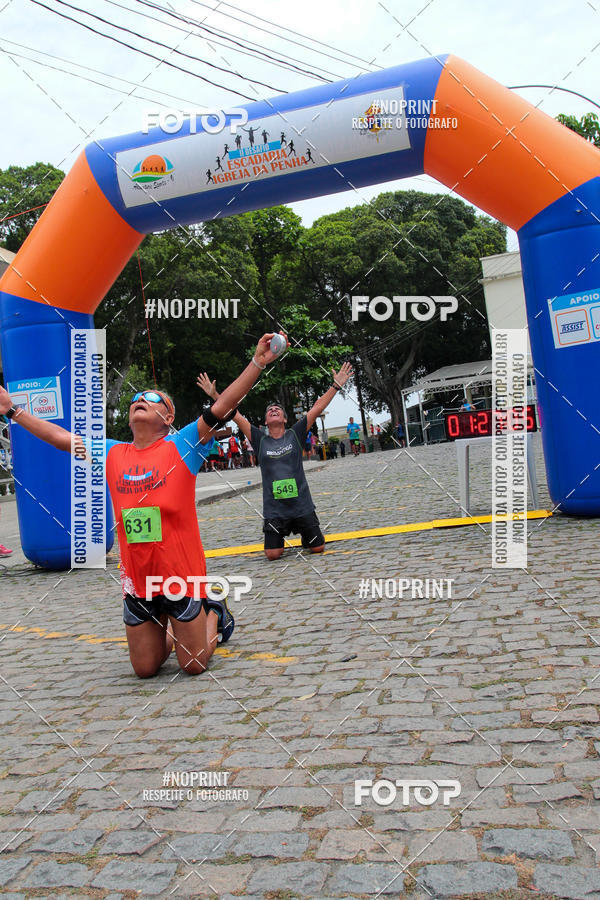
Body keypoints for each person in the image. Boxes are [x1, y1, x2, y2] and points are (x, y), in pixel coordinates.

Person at [0, 333, 283, 678]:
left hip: (180, 576)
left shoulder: (184, 444)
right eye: (135, 399)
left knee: (193, 664)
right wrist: (13, 411)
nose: (140, 400)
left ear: (168, 417)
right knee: (145, 669)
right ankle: (173, 631)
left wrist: (257, 362)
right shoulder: (111, 452)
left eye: (151, 398)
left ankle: (213, 612)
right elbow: (60, 439)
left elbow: (223, 406)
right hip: (139, 580)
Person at [198, 362, 353, 560]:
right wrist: (214, 395)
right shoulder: (259, 439)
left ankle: (307, 535)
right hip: (275, 511)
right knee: (272, 554)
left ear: (285, 419)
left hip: (301, 506)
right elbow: (233, 414)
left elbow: (317, 407)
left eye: (278, 409)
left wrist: (336, 385)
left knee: (317, 548)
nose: (273, 409)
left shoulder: (295, 433)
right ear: (265, 421)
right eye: (270, 410)